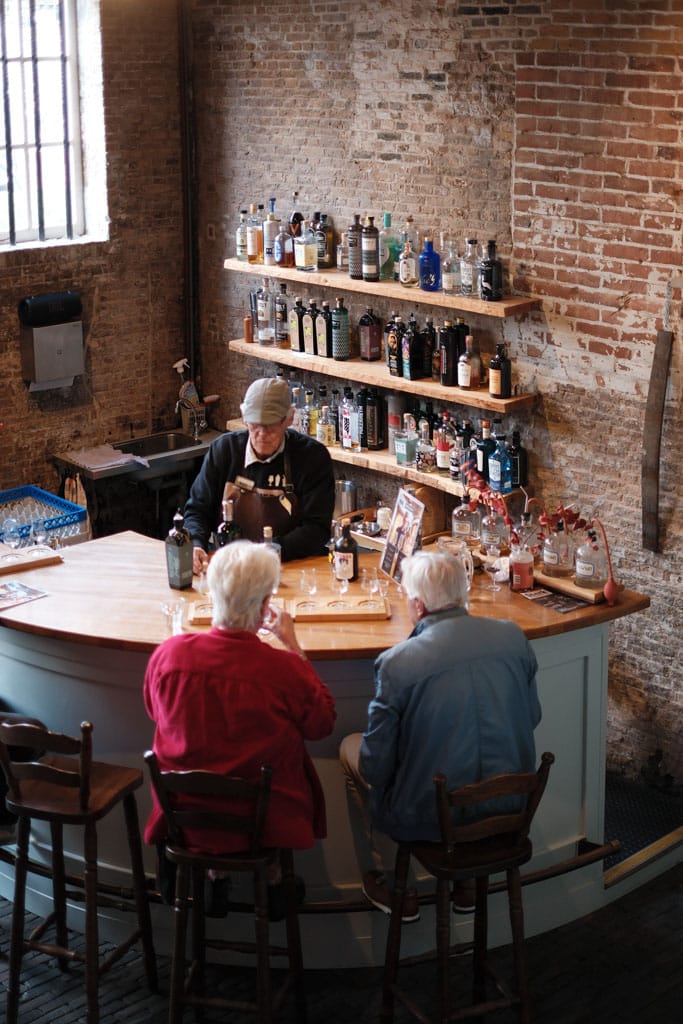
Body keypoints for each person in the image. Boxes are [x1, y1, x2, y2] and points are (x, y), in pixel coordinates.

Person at [339, 550, 541, 922]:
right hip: (510, 809)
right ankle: (466, 884)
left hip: (433, 819)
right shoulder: (513, 637)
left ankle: (397, 887)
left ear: (418, 605)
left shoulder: (397, 663)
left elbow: (375, 767)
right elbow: (532, 718)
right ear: (462, 593)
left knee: (352, 748)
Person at [144, 539, 337, 914]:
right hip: (262, 823)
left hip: (184, 818)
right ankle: (272, 881)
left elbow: (154, 711)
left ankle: (213, 875)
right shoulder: (284, 670)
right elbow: (322, 724)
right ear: (266, 605)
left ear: (211, 594)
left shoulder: (169, 655)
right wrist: (294, 646)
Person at [184, 376, 335, 573]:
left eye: (271, 426)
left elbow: (317, 529)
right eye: (255, 425)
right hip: (230, 565)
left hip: (292, 567)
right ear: (244, 418)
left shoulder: (311, 457)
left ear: (289, 418)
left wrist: (270, 551)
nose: (262, 434)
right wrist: (196, 543)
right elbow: (197, 509)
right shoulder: (224, 450)